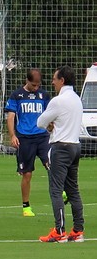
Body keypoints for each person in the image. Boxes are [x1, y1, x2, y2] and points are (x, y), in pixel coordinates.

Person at [37, 66, 84, 243]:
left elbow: (41, 122)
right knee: (73, 190)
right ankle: (78, 230)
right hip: (75, 146)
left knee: (56, 190)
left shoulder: (58, 100)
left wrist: (50, 124)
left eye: (55, 79)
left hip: (61, 147)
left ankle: (59, 231)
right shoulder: (77, 99)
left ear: (62, 80)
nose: (52, 82)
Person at [4, 68, 50, 217]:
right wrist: (13, 136)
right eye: (33, 85)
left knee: (52, 165)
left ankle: (62, 191)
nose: (36, 88)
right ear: (27, 81)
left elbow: (50, 115)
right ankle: (26, 207)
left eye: (38, 85)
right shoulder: (17, 95)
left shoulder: (44, 95)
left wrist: (52, 127)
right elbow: (10, 117)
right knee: (27, 174)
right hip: (24, 138)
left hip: (42, 136)